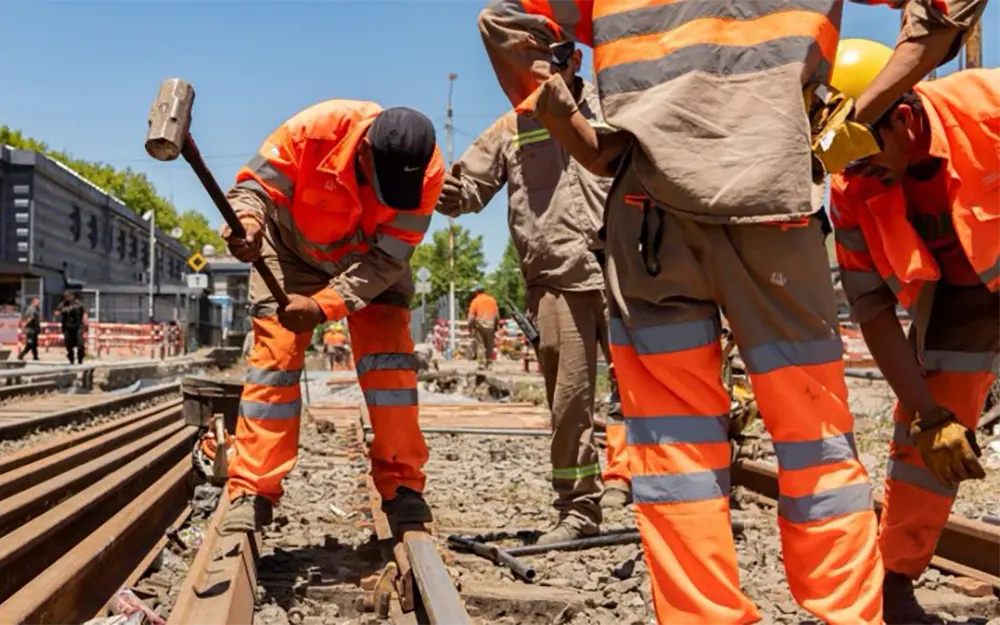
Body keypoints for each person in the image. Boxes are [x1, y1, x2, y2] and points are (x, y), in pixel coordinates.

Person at [475, 0, 985, 622]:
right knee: (813, 435)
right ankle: (852, 613)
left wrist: (581, 137)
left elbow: (504, 20)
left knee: (675, 449)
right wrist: (869, 102)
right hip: (772, 202)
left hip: (649, 214)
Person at [218, 100, 444, 534]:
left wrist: (324, 305)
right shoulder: (311, 132)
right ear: (364, 154)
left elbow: (388, 259)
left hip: (372, 262)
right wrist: (246, 224)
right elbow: (253, 191)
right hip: (289, 250)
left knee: (391, 362)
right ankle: (253, 490)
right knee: (275, 361)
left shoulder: (429, 171)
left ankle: (403, 487)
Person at [829, 44, 998, 623]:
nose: (855, 177)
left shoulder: (990, 107)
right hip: (963, 292)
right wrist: (929, 414)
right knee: (925, 446)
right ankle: (894, 584)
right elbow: (871, 306)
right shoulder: (850, 188)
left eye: (862, 160)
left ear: (901, 118)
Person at [438, 42, 629, 543]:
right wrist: (432, 182)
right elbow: (467, 193)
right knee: (570, 404)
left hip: (630, 270)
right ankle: (578, 510)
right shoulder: (511, 126)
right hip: (559, 277)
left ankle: (676, 500)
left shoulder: (614, 107)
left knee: (660, 395)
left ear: (575, 60)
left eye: (554, 58)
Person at [465, 286, 499, 369]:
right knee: (490, 345)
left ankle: (481, 364)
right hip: (491, 325)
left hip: (480, 326)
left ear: (476, 292)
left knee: (481, 345)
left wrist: (470, 327)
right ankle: (490, 364)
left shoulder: (475, 301)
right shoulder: (492, 300)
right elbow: (497, 315)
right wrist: (496, 326)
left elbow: (471, 317)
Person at [55, 290, 86, 364]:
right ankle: (71, 359)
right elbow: (56, 312)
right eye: (65, 297)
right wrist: (62, 311)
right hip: (67, 327)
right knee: (69, 345)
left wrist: (85, 321)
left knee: (80, 344)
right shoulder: (63, 304)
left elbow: (84, 313)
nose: (67, 298)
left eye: (68, 296)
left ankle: (80, 359)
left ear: (72, 296)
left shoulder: (78, 304)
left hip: (78, 327)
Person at [18, 297, 41, 361]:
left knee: (34, 343)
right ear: (33, 302)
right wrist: (24, 326)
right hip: (30, 329)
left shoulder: (36, 309)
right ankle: (21, 355)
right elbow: (29, 318)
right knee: (30, 343)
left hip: (34, 329)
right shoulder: (31, 309)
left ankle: (35, 356)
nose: (38, 304)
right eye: (37, 302)